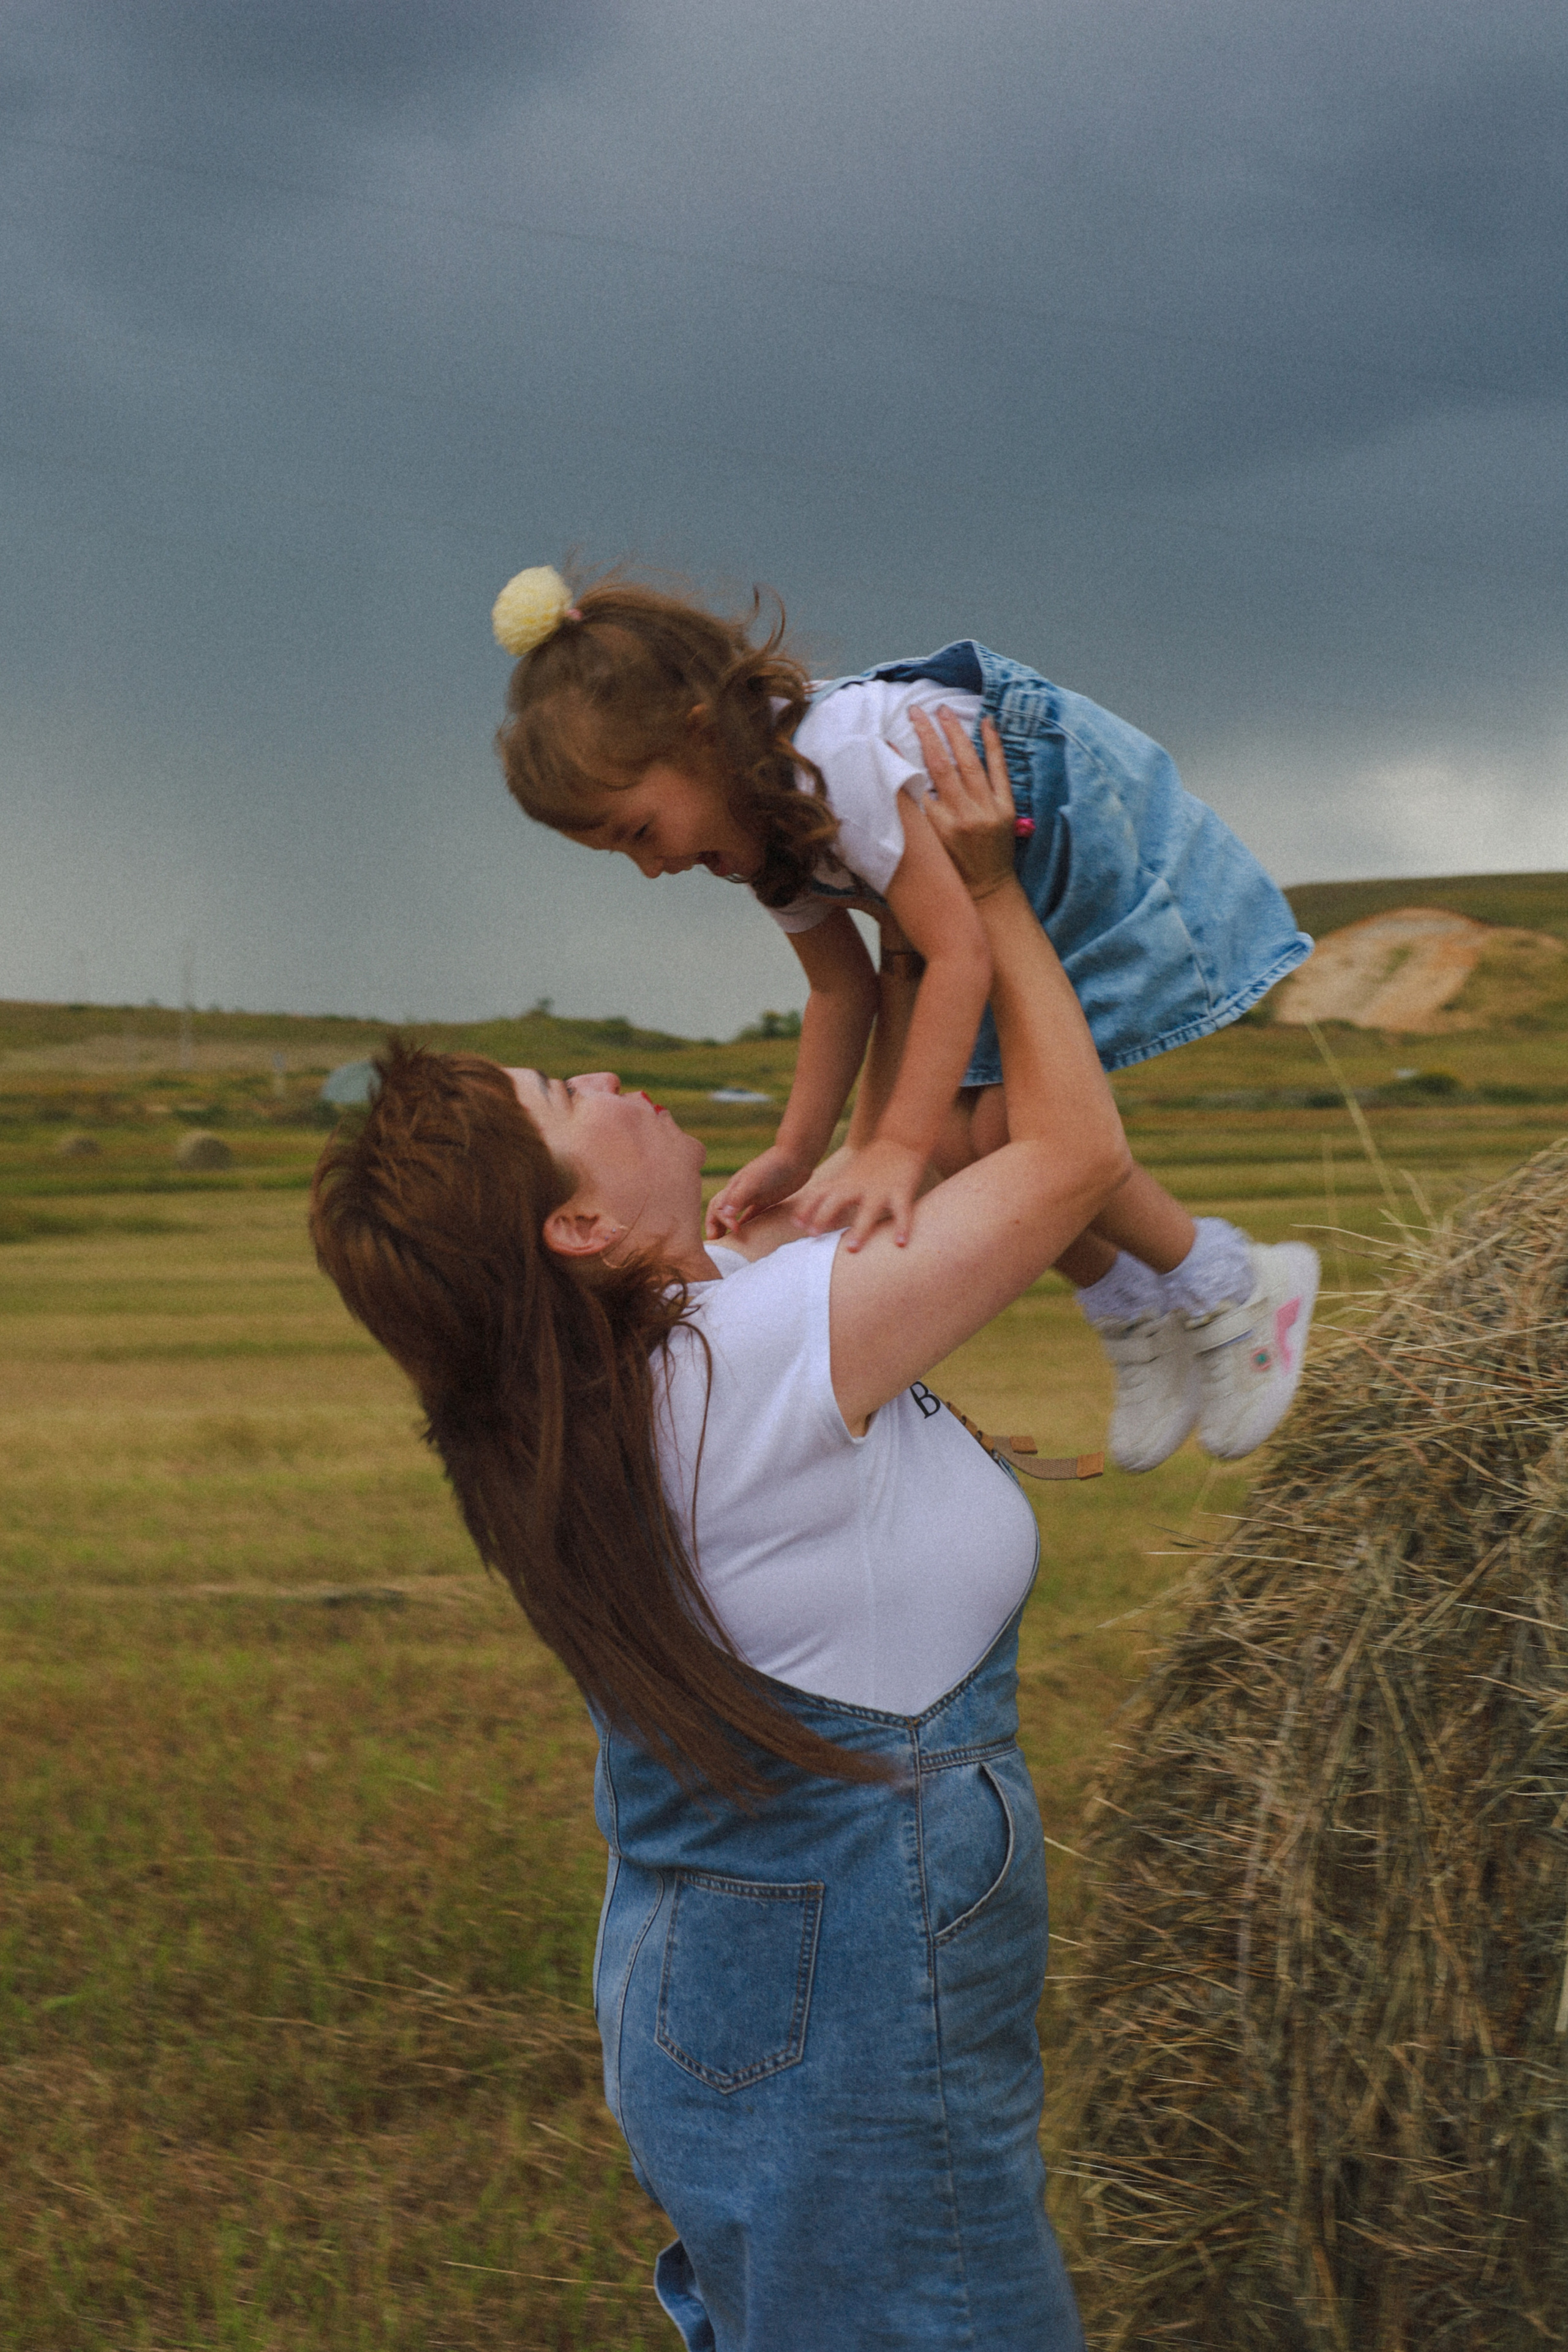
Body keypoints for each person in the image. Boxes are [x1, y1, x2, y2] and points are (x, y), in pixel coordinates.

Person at [310, 710, 1128, 2350]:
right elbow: (1071, 1160)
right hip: (844, 1970)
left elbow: (950, 1156)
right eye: (568, 1093)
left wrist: (897, 972)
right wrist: (992, 901)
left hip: (741, 1970)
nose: (608, 1075)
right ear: (581, 1226)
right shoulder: (748, 1354)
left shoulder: (646, 1367)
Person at [491, 564, 1319, 1474]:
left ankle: (1238, 1284)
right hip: (970, 897)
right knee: (986, 1138)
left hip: (1054, 829)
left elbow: (958, 953)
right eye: (620, 853)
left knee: (1010, 1130)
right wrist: (797, 1150)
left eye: (639, 831)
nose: (651, 867)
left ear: (701, 740)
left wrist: (895, 1145)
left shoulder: (836, 766)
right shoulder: (756, 831)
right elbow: (840, 992)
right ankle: (1135, 1304)